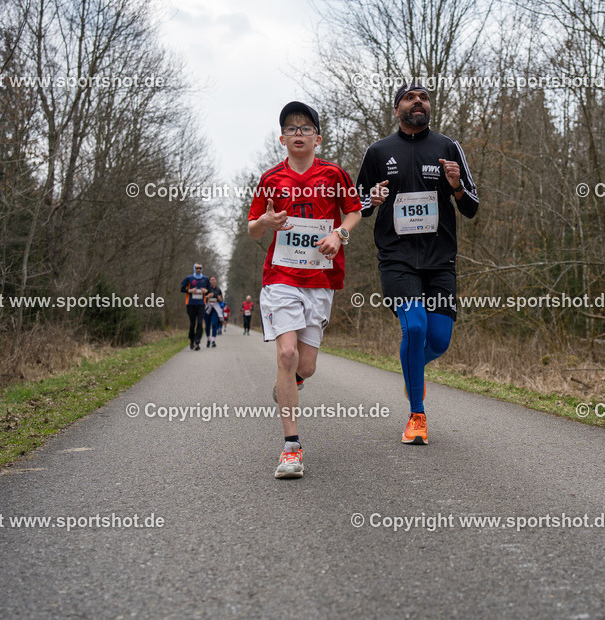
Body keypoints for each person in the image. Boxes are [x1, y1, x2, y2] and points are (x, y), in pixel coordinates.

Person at [355, 83, 478, 445]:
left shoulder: (448, 147)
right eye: (410, 98)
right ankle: (417, 415)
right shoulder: (379, 151)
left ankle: (411, 369)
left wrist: (456, 185)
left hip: (440, 259)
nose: (418, 102)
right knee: (415, 328)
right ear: (397, 109)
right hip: (397, 258)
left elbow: (470, 207)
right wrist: (372, 199)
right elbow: (356, 204)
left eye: (424, 97)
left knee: (438, 341)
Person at [248, 101, 361, 478]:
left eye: (305, 127)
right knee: (287, 353)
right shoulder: (270, 179)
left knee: (305, 366)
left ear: (318, 137)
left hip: (320, 279)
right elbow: (252, 228)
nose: (298, 133)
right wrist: (265, 220)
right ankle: (291, 449)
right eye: (291, 128)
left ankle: (291, 382)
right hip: (280, 277)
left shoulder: (334, 174)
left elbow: (354, 211)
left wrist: (339, 233)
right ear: (282, 138)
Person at [180, 263, 212, 350]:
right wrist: (190, 290)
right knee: (192, 323)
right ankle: (191, 340)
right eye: (197, 268)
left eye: (200, 268)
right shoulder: (189, 278)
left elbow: (209, 290)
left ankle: (197, 342)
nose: (199, 270)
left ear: (202, 269)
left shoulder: (205, 279)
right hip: (190, 304)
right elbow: (182, 289)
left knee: (200, 323)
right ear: (194, 268)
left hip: (201, 304)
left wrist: (206, 291)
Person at [203, 276, 224, 348]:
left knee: (214, 324)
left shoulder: (218, 290)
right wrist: (207, 296)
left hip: (215, 309)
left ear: (216, 281)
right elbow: (202, 298)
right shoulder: (206, 289)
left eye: (214, 280)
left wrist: (220, 298)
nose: (212, 281)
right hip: (208, 308)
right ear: (209, 281)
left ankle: (213, 341)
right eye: (211, 280)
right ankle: (208, 339)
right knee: (207, 325)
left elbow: (221, 300)